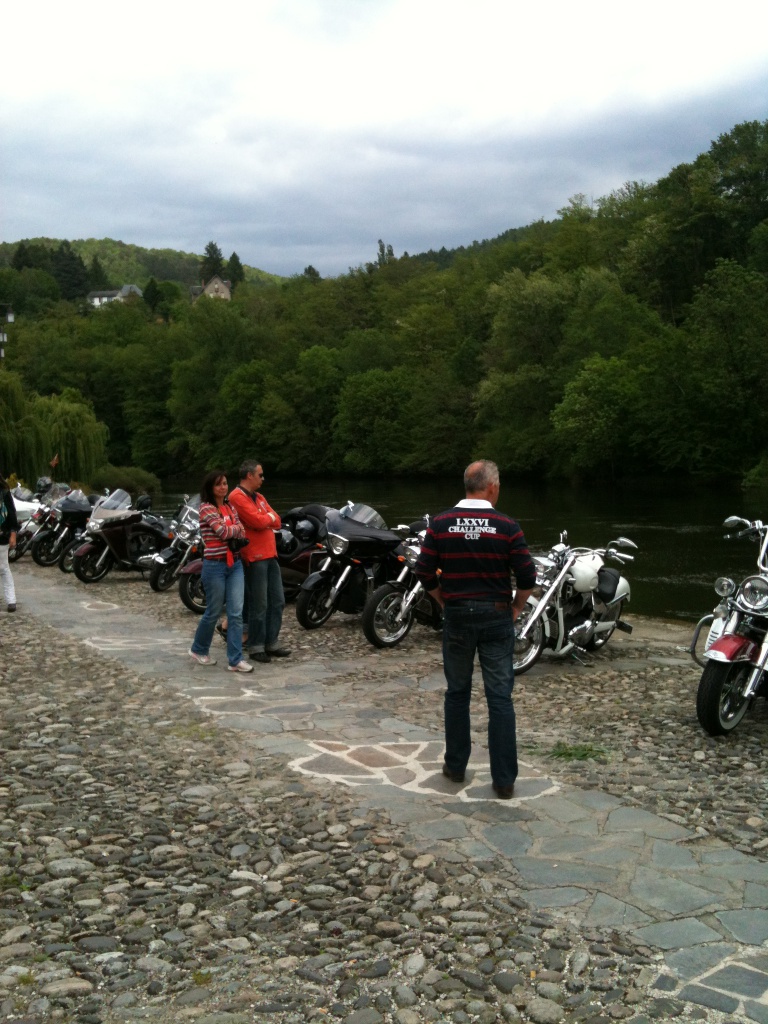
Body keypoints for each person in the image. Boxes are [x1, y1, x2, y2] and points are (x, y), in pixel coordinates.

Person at [414, 460, 535, 799]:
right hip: (496, 617)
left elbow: (424, 571)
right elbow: (527, 578)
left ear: (466, 485)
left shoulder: (440, 524)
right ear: (492, 487)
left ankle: (455, 767)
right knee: (499, 698)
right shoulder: (507, 526)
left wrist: (442, 601)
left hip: (457, 616)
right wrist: (514, 609)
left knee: (457, 693)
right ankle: (504, 780)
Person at [189, 470, 253, 673]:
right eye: (218, 484)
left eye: (225, 483)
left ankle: (235, 660)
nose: (223, 487)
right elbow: (223, 531)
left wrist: (231, 527)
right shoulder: (206, 508)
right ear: (210, 487)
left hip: (234, 564)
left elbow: (241, 529)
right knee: (213, 611)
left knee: (235, 613)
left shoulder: (228, 506)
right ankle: (199, 649)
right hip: (214, 565)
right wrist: (232, 527)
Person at [228, 459, 289, 663]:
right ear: (249, 476)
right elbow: (256, 521)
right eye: (260, 475)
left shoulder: (259, 496)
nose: (263, 478)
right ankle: (256, 646)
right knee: (259, 603)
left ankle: (271, 642)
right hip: (255, 556)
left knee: (278, 600)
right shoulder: (237, 496)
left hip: (270, 554)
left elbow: (277, 519)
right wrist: (267, 519)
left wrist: (267, 519)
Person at [0, 473, 19, 612]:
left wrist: (13, 534)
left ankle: (11, 600)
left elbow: (12, 515)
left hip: (2, 534)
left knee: (3, 567)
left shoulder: (5, 494)